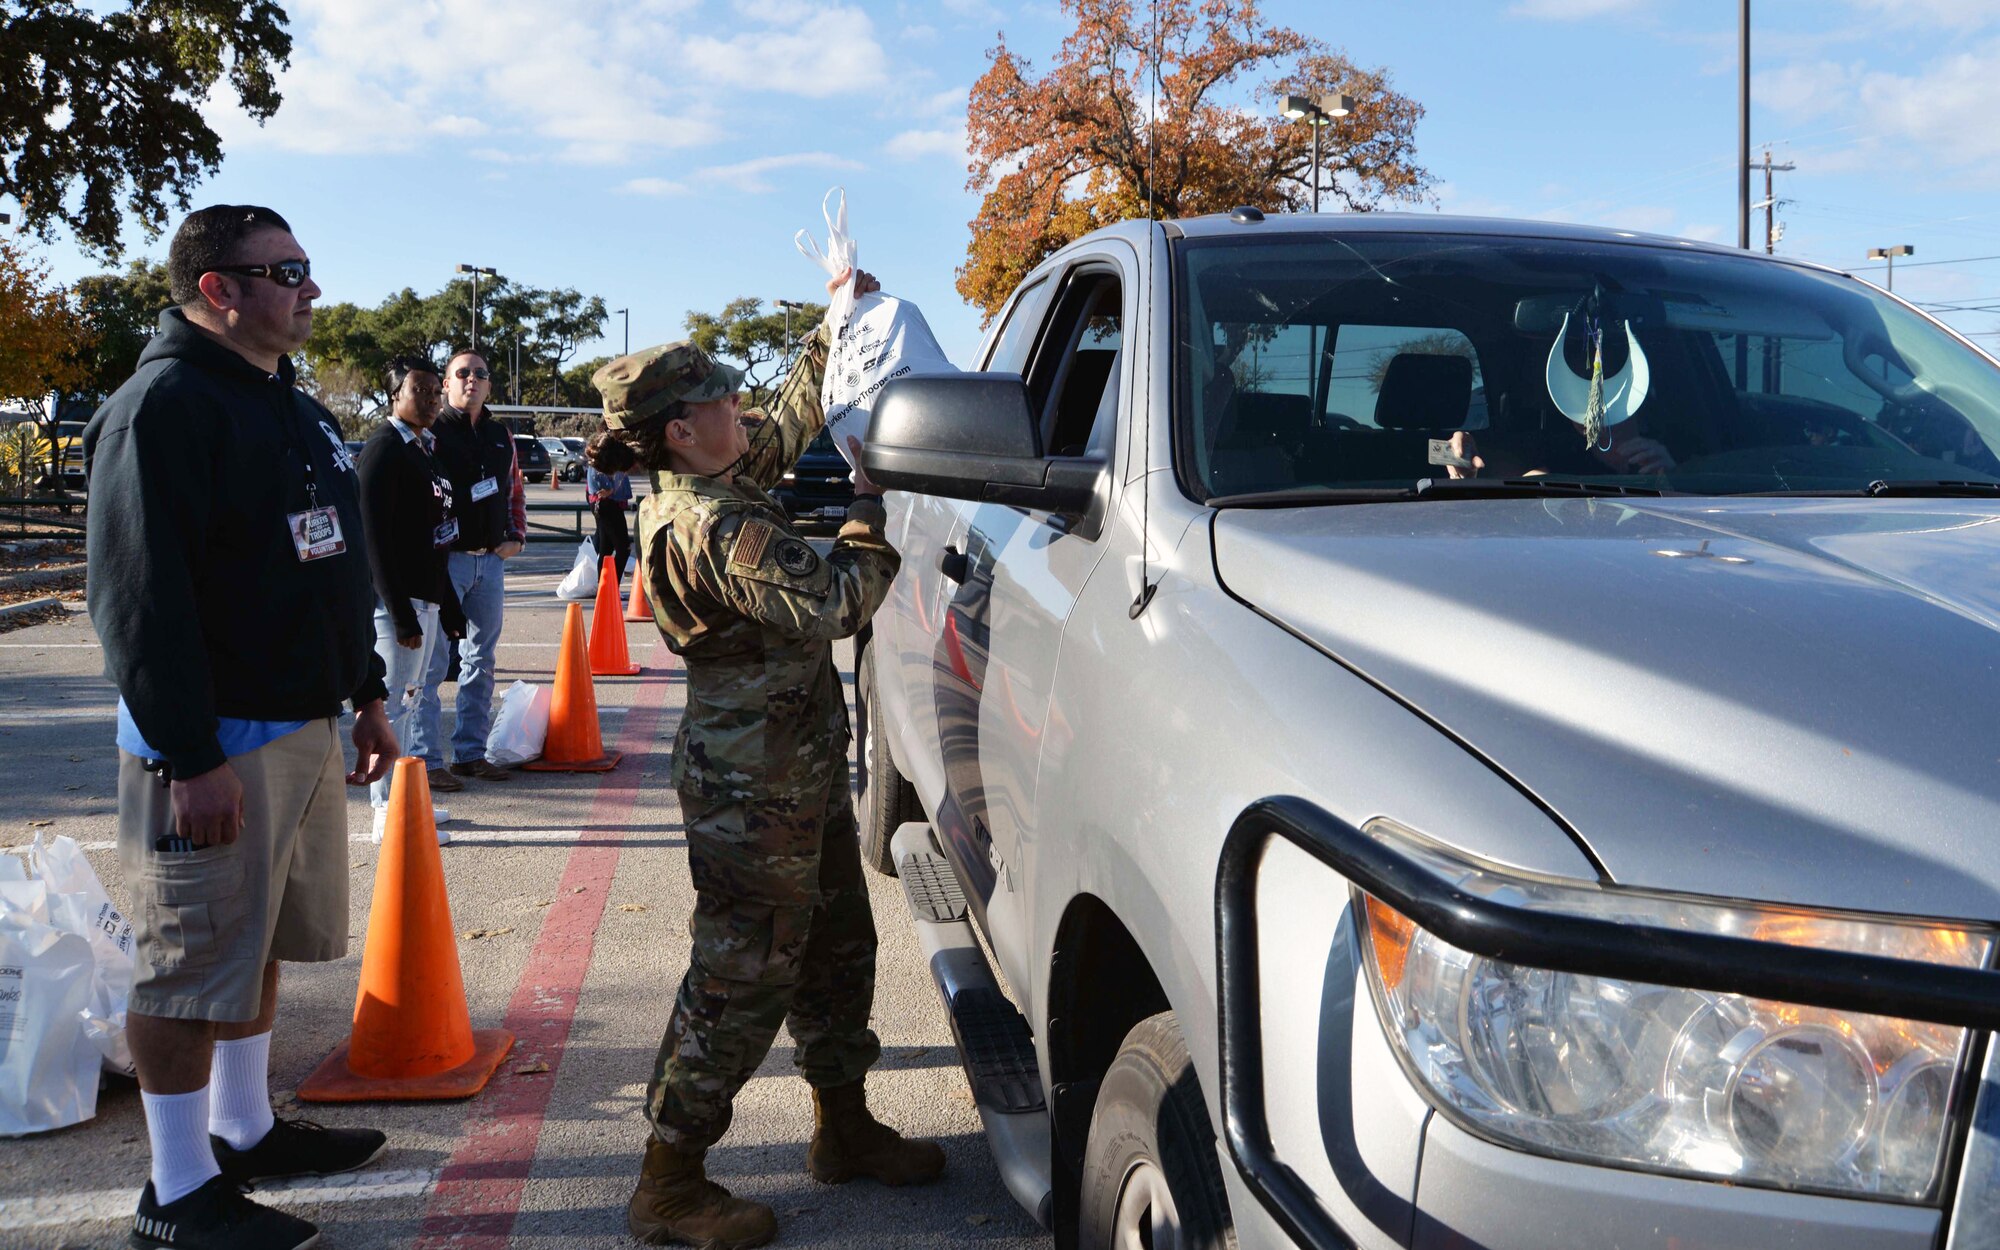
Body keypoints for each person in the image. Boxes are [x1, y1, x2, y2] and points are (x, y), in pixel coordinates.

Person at [595, 266, 941, 1248]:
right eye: (719, 401)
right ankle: (669, 1177)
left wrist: (834, 326)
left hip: (790, 763)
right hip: (753, 782)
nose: (737, 408)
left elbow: (783, 427)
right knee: (741, 972)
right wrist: (872, 505)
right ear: (677, 428)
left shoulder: (712, 483)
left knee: (837, 942)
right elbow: (837, 598)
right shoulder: (713, 521)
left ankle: (842, 1124)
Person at [84, 204, 396, 1250]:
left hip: (299, 721)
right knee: (186, 964)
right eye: (287, 269)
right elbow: (140, 600)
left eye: (307, 267)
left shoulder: (286, 402)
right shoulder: (162, 407)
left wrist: (366, 690)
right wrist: (187, 753)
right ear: (219, 288)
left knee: (252, 944)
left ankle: (243, 1126)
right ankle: (175, 1192)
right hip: (213, 743)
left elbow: (330, 562)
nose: (310, 288)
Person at [356, 354, 467, 844]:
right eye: (418, 390)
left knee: (414, 703)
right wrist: (400, 612)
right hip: (395, 604)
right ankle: (385, 810)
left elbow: (436, 535)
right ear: (394, 395)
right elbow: (373, 538)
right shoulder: (384, 449)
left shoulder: (426, 450)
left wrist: (449, 605)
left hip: (428, 597)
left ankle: (406, 798)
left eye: (432, 391)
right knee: (394, 707)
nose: (429, 399)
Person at [421, 348, 527, 790]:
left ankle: (469, 754)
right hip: (447, 564)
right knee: (431, 664)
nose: (471, 380)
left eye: (480, 374)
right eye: (462, 373)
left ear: (488, 385)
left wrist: (515, 536)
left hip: (491, 563)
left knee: (481, 660)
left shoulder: (501, 434)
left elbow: (514, 491)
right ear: (446, 384)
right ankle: (426, 760)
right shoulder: (431, 433)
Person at [584, 431, 636, 579]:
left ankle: (605, 589)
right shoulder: (605, 456)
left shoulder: (612, 453)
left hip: (606, 504)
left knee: (606, 549)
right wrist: (609, 488)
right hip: (607, 505)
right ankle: (610, 587)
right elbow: (599, 484)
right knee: (623, 549)